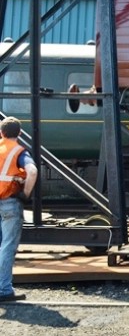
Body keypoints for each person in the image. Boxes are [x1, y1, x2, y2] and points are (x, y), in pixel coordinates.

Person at [0, 116, 37, 302]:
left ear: (1, 132)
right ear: (20, 133)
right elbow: (32, 171)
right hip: (8, 202)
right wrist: (26, 193)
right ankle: (4, 290)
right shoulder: (19, 152)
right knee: (7, 246)